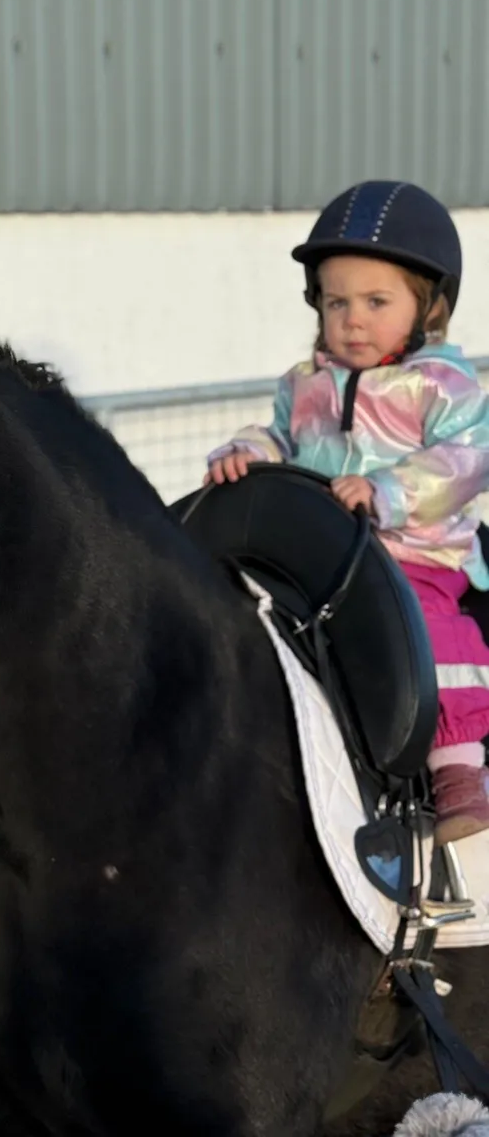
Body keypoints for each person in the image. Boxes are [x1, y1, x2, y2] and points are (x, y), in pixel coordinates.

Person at [205, 180, 489, 845]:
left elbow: (466, 460)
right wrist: (246, 453)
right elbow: (280, 438)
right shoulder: (305, 383)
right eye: (337, 302)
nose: (352, 319)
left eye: (375, 302)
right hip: (323, 551)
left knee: (428, 631)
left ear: (431, 307)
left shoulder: (443, 386)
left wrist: (387, 491)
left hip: (416, 552)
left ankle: (458, 769)